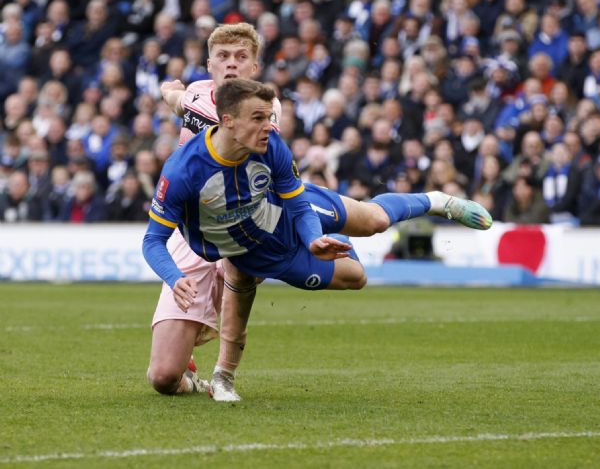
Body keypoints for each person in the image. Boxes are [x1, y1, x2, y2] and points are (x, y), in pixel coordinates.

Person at [147, 22, 492, 399]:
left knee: (372, 221)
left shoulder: (264, 112)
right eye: (223, 57)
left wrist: (185, 102)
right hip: (197, 231)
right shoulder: (194, 103)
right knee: (164, 376)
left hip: (268, 209)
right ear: (209, 64)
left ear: (256, 68)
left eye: (241, 57)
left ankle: (437, 201)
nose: (231, 65)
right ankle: (206, 375)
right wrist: (173, 93)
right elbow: (178, 97)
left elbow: (230, 125)